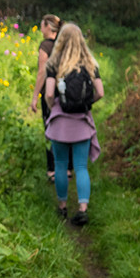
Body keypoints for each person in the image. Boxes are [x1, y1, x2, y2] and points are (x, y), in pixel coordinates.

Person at [44, 22, 103, 226]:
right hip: (82, 124)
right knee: (81, 166)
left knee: (60, 165)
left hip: (60, 122)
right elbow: (100, 92)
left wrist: (55, 109)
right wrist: (86, 104)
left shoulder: (54, 64)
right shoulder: (90, 63)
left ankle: (62, 207)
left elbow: (50, 93)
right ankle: (83, 210)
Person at [29, 14, 71, 181]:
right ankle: (68, 168)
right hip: (67, 92)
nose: (40, 29)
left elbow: (42, 73)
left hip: (50, 93)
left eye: (42, 25)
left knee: (51, 129)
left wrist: (34, 97)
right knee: (67, 128)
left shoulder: (45, 46)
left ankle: (53, 170)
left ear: (48, 27)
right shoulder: (65, 44)